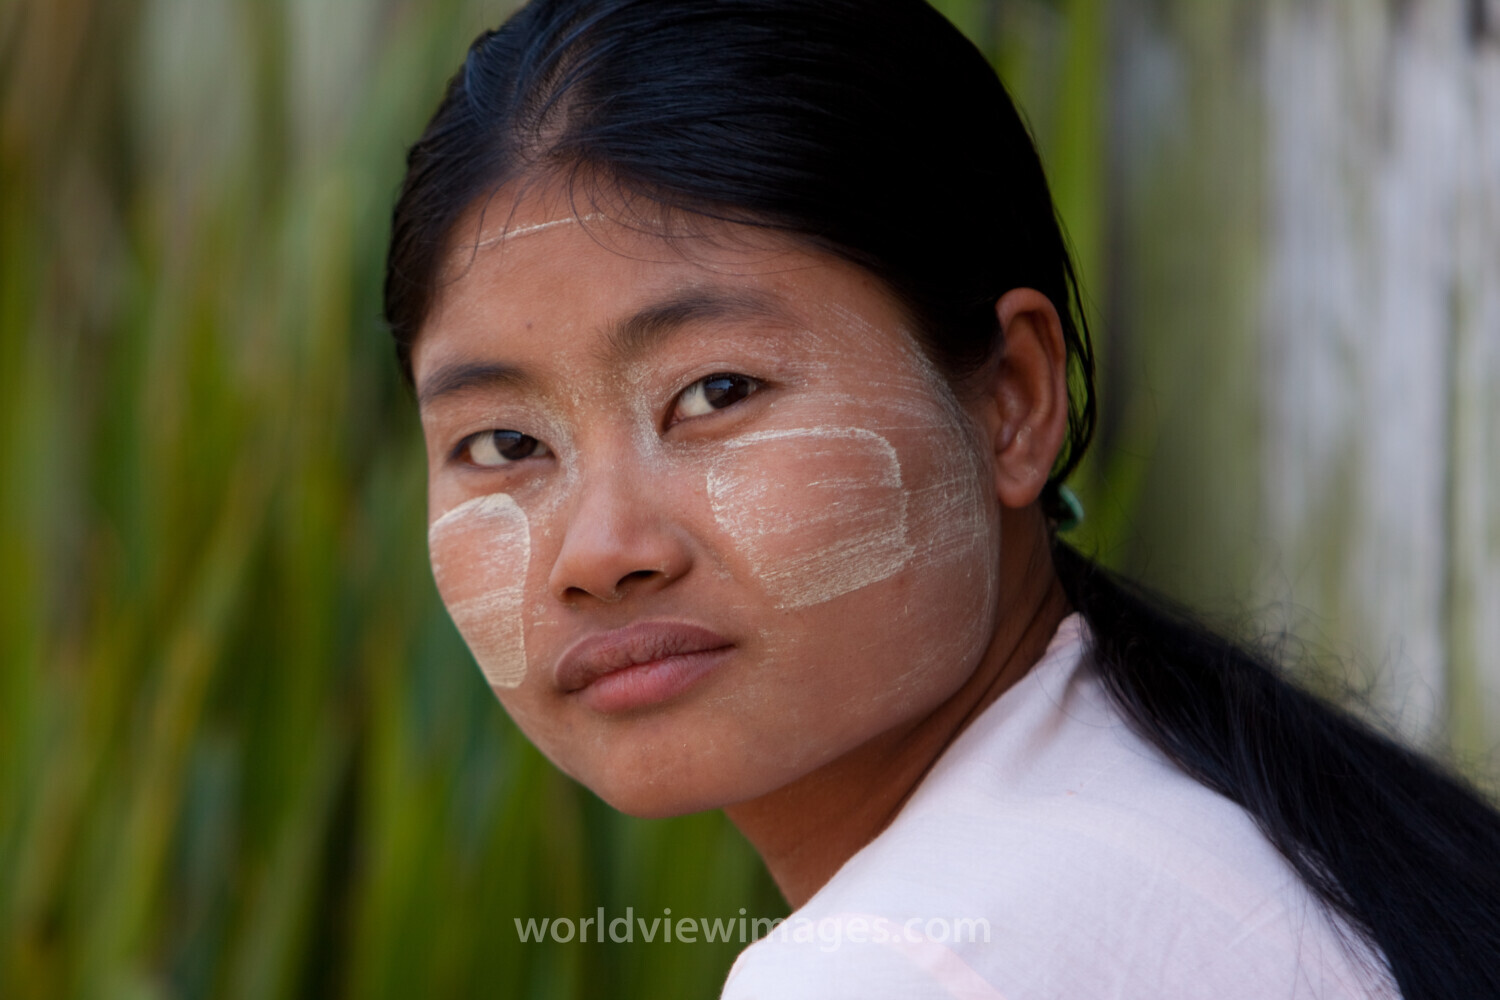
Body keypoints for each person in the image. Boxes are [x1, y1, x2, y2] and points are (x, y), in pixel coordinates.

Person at [383, 1, 1500, 996]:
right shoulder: (1221, 823)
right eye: (504, 444)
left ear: (1013, 399)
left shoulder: (903, 967)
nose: (599, 551)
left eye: (717, 393)